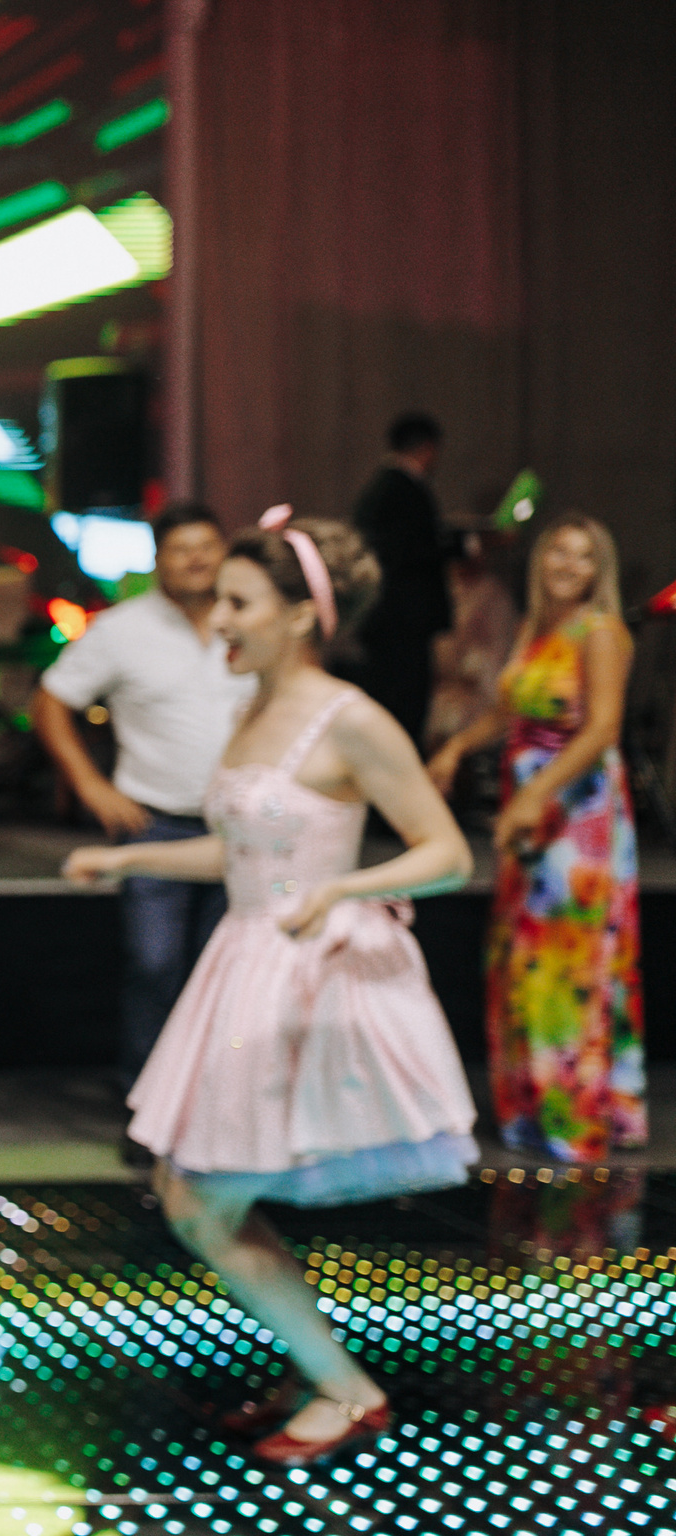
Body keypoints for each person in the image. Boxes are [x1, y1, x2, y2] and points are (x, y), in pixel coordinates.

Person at [65, 511, 477, 1466]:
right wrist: (128, 861)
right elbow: (245, 853)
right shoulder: (250, 711)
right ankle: (320, 1365)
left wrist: (340, 889)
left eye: (239, 603)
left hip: (302, 980)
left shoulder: (351, 717)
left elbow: (448, 854)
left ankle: (346, 1387)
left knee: (197, 1198)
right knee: (191, 1189)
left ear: (301, 616)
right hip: (243, 966)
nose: (219, 620)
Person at [428, 513, 643, 1161]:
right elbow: (508, 709)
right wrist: (457, 747)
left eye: (583, 556)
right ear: (540, 559)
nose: (568, 566)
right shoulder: (536, 626)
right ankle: (528, 1109)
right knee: (520, 952)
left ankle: (573, 1118)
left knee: (566, 960)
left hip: (577, 813)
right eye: (558, 552)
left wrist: (534, 794)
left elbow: (601, 729)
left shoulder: (599, 632)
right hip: (530, 810)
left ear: (598, 569)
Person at [33, 501, 252, 1100]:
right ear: (158, 560)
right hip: (156, 823)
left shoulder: (250, 624)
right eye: (182, 549)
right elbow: (51, 702)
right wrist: (91, 786)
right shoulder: (121, 630)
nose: (197, 560)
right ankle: (148, 1100)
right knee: (155, 964)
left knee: (232, 969)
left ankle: (217, 1102)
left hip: (244, 826)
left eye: (208, 546)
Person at [350, 410, 454, 750]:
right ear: (427, 448)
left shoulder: (379, 488)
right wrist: (462, 546)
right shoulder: (405, 489)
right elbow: (415, 548)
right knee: (405, 710)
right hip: (403, 622)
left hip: (383, 620)